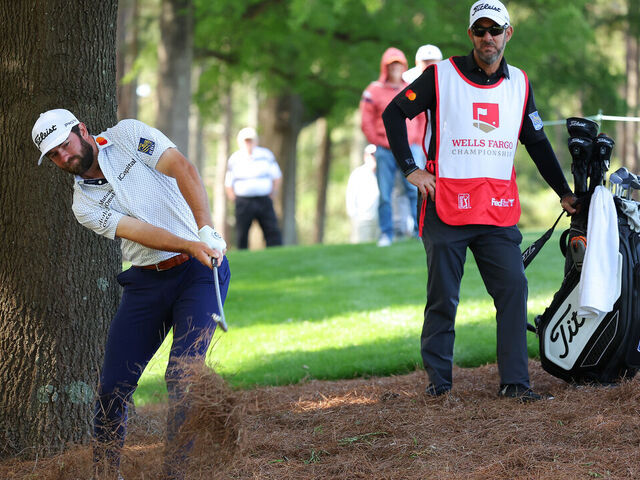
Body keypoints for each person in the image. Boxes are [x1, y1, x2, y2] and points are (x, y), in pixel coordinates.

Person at [382, 0, 578, 402]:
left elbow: (537, 142)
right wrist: (410, 169)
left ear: (509, 33)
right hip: (445, 208)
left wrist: (564, 192)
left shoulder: (520, 83)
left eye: (495, 29)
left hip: (497, 211)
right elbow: (393, 113)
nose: (487, 37)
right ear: (470, 34)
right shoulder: (441, 75)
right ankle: (439, 387)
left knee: (512, 291)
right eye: (479, 30)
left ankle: (516, 385)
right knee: (442, 299)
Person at [31, 108, 230, 479]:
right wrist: (189, 244)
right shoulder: (83, 205)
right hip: (146, 284)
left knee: (182, 376)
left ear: (82, 131)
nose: (63, 157)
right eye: (54, 155)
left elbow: (182, 167)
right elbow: (140, 231)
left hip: (200, 273)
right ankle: (107, 473)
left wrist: (204, 230)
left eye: (64, 145)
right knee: (111, 387)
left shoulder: (127, 136)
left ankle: (178, 473)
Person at [360, 47, 426, 247]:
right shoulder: (373, 90)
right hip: (385, 150)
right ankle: (386, 234)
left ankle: (419, 231)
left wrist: (417, 139)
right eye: (391, 65)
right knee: (385, 193)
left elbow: (422, 117)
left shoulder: (411, 88)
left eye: (398, 64)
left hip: (410, 148)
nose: (395, 68)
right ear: (385, 67)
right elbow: (366, 121)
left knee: (414, 190)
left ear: (404, 66)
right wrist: (378, 141)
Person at [225, 127, 283, 249]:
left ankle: (276, 253)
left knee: (271, 229)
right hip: (243, 201)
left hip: (264, 199)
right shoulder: (235, 158)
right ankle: (242, 255)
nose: (248, 143)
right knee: (242, 232)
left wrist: (273, 194)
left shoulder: (266, 155)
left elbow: (276, 176)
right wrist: (234, 198)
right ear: (240, 142)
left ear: (256, 141)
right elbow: (228, 182)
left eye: (251, 140)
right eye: (246, 140)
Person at [346, 144, 380, 243]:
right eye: (371, 155)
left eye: (375, 155)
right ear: (365, 156)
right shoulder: (358, 173)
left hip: (380, 218)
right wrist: (354, 216)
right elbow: (351, 196)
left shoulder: (383, 173)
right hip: (362, 219)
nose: (374, 157)